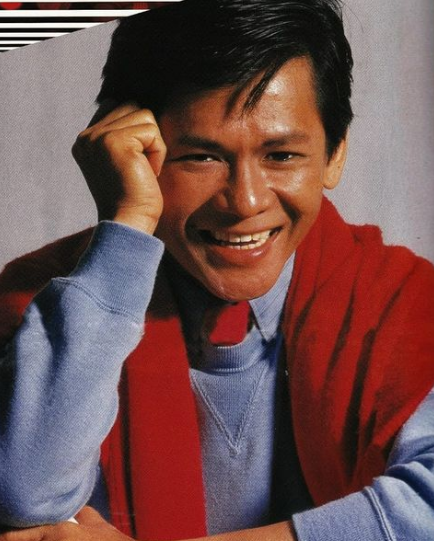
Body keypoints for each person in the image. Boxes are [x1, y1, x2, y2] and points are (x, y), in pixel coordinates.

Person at [0, 1, 433, 540]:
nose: (245, 201)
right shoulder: (48, 297)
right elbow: (23, 496)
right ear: (130, 148)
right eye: (201, 157)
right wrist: (128, 221)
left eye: (281, 156)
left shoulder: (403, 300)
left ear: (335, 153)